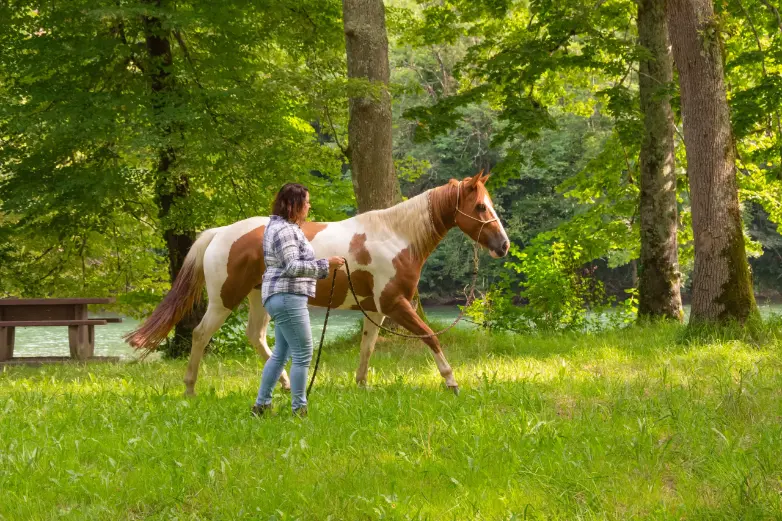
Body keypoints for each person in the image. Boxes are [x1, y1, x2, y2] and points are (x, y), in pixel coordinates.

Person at [252, 183, 344, 417]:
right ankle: (299, 410)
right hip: (287, 296)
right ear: (293, 205)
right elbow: (292, 267)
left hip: (280, 296)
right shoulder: (285, 231)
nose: (309, 206)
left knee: (281, 352)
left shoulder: (278, 226)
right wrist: (326, 264)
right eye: (306, 202)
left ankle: (261, 406)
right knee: (303, 352)